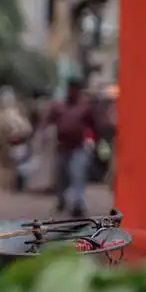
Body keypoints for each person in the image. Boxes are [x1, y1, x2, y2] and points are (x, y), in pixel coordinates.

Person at [43, 78, 98, 217]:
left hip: (78, 147)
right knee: (61, 177)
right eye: (70, 88)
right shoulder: (59, 106)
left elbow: (94, 124)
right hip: (62, 147)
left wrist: (95, 141)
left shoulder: (85, 106)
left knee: (77, 174)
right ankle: (61, 200)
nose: (72, 91)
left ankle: (78, 204)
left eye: (75, 88)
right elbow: (48, 121)